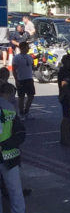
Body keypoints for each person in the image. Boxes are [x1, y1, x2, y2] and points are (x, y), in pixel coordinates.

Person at [0, 83, 26, 213]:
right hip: (10, 155)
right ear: (10, 93)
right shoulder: (10, 109)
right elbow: (20, 134)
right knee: (15, 190)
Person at [11, 42, 34, 117]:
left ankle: (27, 110)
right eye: (27, 47)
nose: (28, 48)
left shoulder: (29, 57)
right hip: (21, 79)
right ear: (22, 48)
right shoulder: (17, 58)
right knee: (21, 97)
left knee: (31, 95)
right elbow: (14, 69)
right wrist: (16, 80)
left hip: (29, 78)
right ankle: (21, 111)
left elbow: (31, 66)